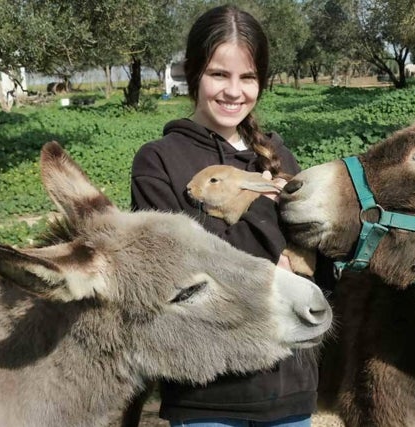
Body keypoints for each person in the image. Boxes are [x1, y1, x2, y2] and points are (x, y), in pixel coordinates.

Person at [130, 5, 318, 427]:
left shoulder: (277, 154)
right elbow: (189, 271)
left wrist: (248, 246)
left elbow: (310, 261)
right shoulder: (158, 162)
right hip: (206, 392)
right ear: (194, 73)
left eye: (247, 77)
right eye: (219, 74)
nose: (234, 91)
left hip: (288, 389)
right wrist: (268, 207)